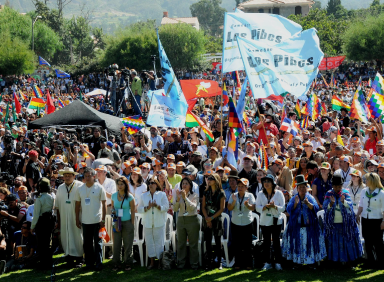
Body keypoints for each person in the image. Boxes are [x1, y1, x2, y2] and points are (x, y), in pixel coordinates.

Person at [282, 175, 326, 266]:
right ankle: (297, 262)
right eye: (300, 187)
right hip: (295, 227)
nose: (302, 189)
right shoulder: (294, 198)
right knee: (296, 244)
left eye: (304, 187)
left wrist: (308, 203)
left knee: (310, 244)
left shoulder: (310, 198)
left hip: (310, 227)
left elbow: (316, 209)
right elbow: (289, 210)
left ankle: (311, 263)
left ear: (306, 188)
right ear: (297, 188)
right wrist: (295, 204)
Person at [322, 174, 362, 264]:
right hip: (333, 224)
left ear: (342, 185)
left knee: (346, 241)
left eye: (339, 186)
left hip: (346, 224)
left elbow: (350, 206)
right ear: (332, 186)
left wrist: (343, 201)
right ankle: (334, 260)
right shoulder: (329, 194)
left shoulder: (345, 193)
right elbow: (325, 207)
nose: (337, 188)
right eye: (336, 186)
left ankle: (348, 260)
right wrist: (331, 204)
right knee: (334, 242)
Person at [75, 167, 107, 271]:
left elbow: (104, 204)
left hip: (97, 220)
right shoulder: (80, 188)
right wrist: (77, 219)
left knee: (98, 243)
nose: (87, 178)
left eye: (89, 175)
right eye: (85, 176)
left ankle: (99, 263)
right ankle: (89, 263)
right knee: (87, 243)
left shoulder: (99, 187)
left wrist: (103, 219)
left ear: (94, 176)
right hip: (85, 220)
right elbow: (77, 205)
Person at [55, 167, 84, 268]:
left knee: (78, 236)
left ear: (74, 176)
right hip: (64, 217)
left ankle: (80, 258)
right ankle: (69, 258)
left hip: (77, 216)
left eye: (69, 175)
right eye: (65, 176)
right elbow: (57, 205)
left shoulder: (80, 186)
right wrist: (58, 220)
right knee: (66, 236)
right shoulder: (60, 187)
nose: (67, 177)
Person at [137, 178, 169, 269]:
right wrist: (147, 207)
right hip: (147, 222)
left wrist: (158, 207)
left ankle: (159, 262)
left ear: (156, 184)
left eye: (153, 183)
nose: (150, 185)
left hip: (159, 222)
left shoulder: (162, 194)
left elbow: (166, 207)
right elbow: (139, 209)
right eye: (149, 183)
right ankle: (152, 262)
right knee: (149, 242)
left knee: (159, 242)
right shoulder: (144, 196)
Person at [255, 174, 285, 271]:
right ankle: (267, 262)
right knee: (266, 242)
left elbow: (283, 208)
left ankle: (278, 262)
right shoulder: (260, 194)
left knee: (276, 242)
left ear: (273, 183)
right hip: (265, 221)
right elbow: (257, 207)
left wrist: (274, 206)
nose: (266, 183)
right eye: (265, 181)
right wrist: (266, 207)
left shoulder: (279, 193)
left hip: (276, 221)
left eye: (268, 181)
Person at [356, 173, 384, 269]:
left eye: (367, 179)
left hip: (377, 220)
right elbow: (361, 205)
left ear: (372, 181)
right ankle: (370, 262)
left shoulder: (381, 193)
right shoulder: (364, 191)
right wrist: (358, 214)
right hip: (366, 219)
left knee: (378, 242)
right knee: (367, 241)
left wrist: (383, 222)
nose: (365, 181)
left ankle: (380, 262)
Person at [227, 178, 255, 270]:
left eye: (242, 186)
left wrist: (247, 205)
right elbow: (229, 208)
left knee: (247, 245)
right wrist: (234, 201)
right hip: (235, 223)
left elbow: (253, 208)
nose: (240, 188)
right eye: (239, 186)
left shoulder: (250, 195)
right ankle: (238, 264)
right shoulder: (233, 196)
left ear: (246, 187)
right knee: (237, 245)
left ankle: (249, 264)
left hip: (247, 222)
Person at [173, 177, 199, 270]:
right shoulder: (178, 195)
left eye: (186, 183)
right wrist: (177, 200)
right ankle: (181, 264)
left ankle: (194, 264)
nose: (184, 185)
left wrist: (185, 198)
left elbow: (193, 207)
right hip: (181, 219)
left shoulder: (194, 195)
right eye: (183, 183)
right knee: (181, 243)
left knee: (193, 244)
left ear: (190, 185)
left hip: (192, 219)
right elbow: (175, 209)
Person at [201, 173, 225, 270]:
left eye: (211, 178)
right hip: (207, 219)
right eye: (207, 178)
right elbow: (203, 207)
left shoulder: (221, 193)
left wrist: (212, 218)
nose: (208, 180)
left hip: (216, 219)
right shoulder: (206, 192)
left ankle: (219, 262)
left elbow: (222, 208)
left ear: (216, 180)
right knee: (208, 242)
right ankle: (209, 262)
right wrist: (207, 218)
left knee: (218, 242)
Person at [111, 177, 135, 271]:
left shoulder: (130, 197)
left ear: (125, 185)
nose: (120, 186)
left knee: (128, 244)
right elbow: (112, 207)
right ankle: (116, 263)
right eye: (118, 184)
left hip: (127, 222)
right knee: (116, 244)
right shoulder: (113, 195)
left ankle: (128, 263)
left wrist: (132, 224)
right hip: (117, 222)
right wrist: (114, 216)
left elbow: (133, 211)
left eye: (122, 184)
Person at [30, 178, 55, 269]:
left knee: (41, 243)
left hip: (41, 222)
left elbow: (36, 214)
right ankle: (49, 262)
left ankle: (43, 263)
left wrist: (32, 226)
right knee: (48, 242)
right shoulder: (51, 197)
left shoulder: (39, 199)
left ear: (40, 187)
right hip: (49, 221)